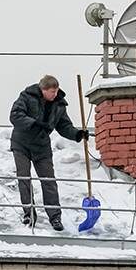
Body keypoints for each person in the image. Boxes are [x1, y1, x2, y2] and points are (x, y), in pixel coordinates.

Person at [9, 75, 89, 230]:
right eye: (52, 91)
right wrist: (34, 123)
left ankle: (55, 217)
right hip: (21, 144)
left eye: (56, 91)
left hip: (42, 147)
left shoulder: (59, 104)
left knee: (49, 181)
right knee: (24, 178)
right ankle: (29, 214)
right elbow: (15, 115)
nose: (54, 94)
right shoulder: (26, 97)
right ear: (43, 90)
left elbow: (64, 125)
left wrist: (77, 134)